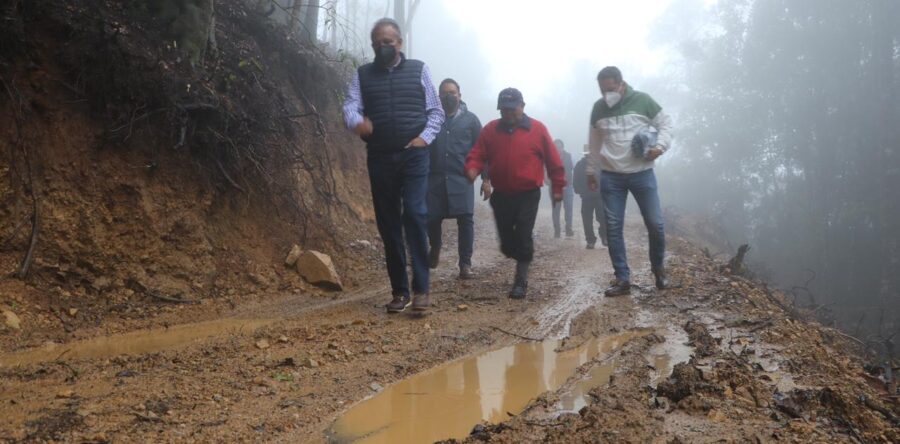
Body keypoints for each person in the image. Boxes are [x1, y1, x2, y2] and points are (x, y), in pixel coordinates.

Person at [342, 18, 444, 313]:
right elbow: (350, 106)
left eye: (388, 42)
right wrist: (356, 121)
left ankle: (422, 289)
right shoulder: (362, 74)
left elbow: (436, 111)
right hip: (380, 156)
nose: (382, 47)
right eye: (377, 43)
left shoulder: (419, 70)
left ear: (399, 43)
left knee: (415, 213)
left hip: (414, 154)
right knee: (388, 223)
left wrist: (424, 138)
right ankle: (400, 292)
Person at [465, 88, 566, 299]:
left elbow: (553, 161)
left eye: (512, 109)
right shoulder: (491, 130)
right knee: (507, 243)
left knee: (523, 234)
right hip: (501, 194)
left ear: (522, 106)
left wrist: (558, 186)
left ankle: (521, 280)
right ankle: (513, 249)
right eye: (504, 110)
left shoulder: (537, 129)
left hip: (528, 194)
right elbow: (478, 153)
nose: (508, 113)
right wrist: (472, 167)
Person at [585, 66, 674, 296]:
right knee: (613, 227)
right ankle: (622, 279)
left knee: (656, 224)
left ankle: (659, 271)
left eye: (610, 89)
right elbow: (594, 143)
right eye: (602, 90)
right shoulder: (598, 108)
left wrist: (660, 147)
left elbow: (666, 123)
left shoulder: (643, 100)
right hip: (611, 176)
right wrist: (591, 171)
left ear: (621, 84)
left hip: (642, 173)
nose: (606, 94)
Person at [427, 78, 486, 279]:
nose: (448, 96)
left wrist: (486, 179)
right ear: (439, 97)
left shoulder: (471, 120)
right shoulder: (431, 119)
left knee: (466, 220)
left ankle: (465, 264)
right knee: (432, 218)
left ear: (460, 95)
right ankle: (435, 247)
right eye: (444, 93)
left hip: (462, 180)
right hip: (434, 180)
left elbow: (482, 151)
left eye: (452, 92)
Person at [573, 149, 607, 249]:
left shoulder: (600, 163)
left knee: (603, 217)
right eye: (587, 154)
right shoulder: (579, 165)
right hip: (586, 197)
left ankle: (604, 236)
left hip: (600, 195)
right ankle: (590, 240)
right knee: (587, 220)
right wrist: (579, 190)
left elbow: (606, 177)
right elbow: (575, 179)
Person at [551, 139, 575, 238]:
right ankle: (557, 231)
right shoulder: (550, 157)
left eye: (559, 147)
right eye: (556, 147)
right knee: (556, 210)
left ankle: (568, 229)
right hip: (555, 188)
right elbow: (546, 171)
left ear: (563, 147)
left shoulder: (569, 156)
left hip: (568, 187)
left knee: (568, 209)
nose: (558, 149)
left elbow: (573, 168)